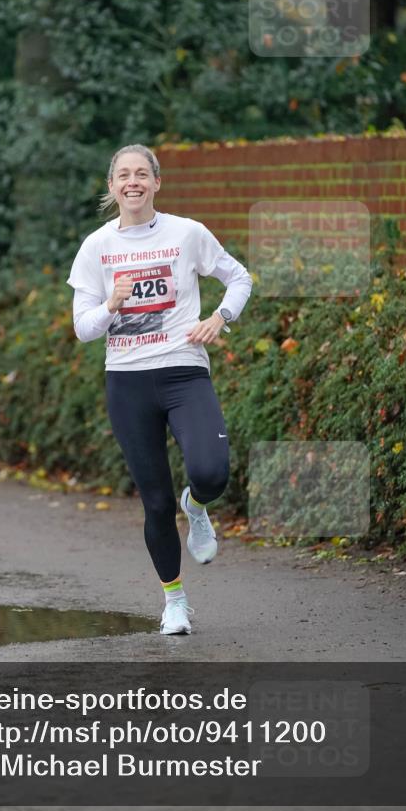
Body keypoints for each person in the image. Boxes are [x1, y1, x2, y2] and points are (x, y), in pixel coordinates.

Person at [66, 144, 252, 634]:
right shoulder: (97, 247)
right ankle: (174, 602)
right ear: (111, 186)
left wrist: (219, 317)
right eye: (123, 175)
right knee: (155, 502)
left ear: (156, 182)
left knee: (210, 472)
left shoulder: (187, 233)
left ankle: (200, 504)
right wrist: (110, 305)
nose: (133, 182)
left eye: (142, 174)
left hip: (184, 370)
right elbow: (83, 327)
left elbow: (239, 278)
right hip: (127, 383)